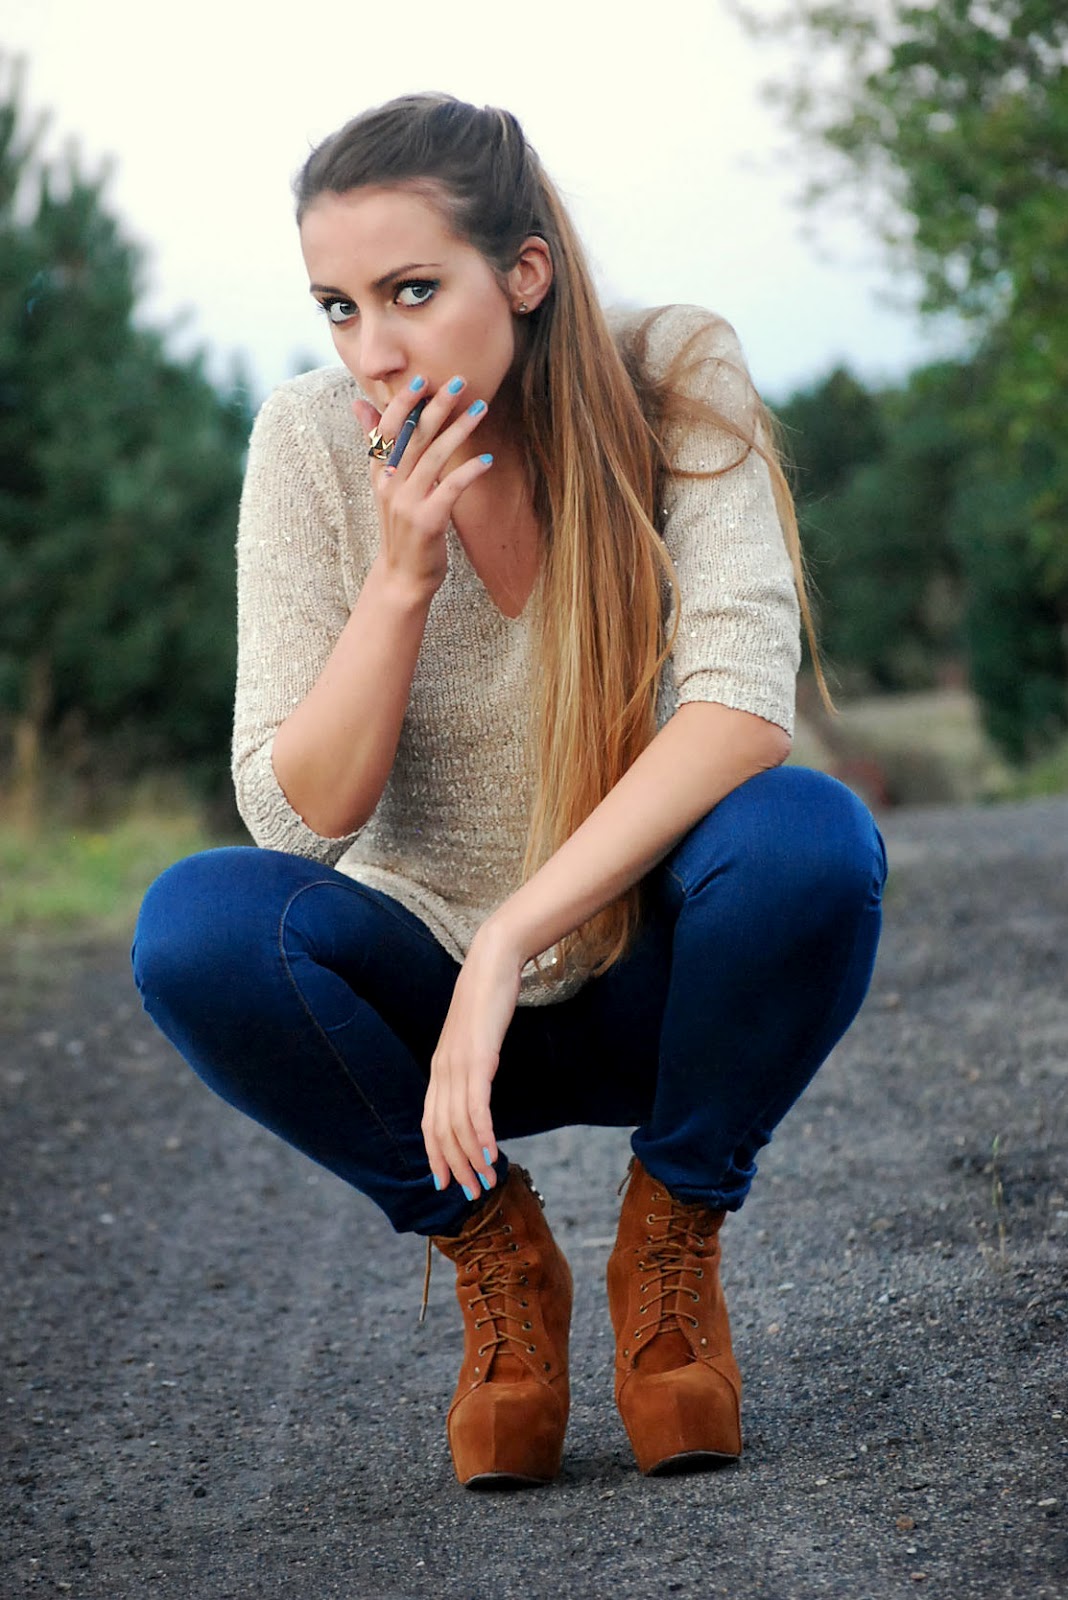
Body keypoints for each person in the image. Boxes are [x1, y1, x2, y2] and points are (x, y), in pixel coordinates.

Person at [132, 92, 887, 1490]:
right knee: (197, 927)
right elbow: (297, 818)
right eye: (340, 308)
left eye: (412, 292)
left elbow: (739, 709)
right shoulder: (309, 442)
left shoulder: (677, 375)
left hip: (657, 970)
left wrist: (508, 941)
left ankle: (673, 1233)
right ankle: (496, 1252)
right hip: (430, 1032)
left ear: (524, 272)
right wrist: (399, 580)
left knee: (812, 842)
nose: (374, 350)